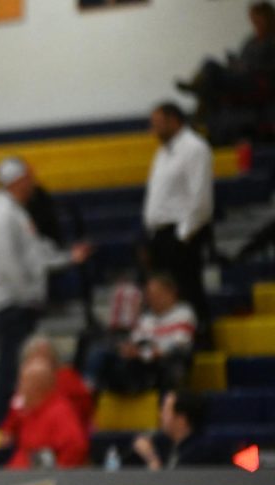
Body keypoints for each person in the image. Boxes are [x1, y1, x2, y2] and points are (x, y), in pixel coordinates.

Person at [0, 157, 91, 420]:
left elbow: (35, 254)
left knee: (18, 365)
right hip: (11, 301)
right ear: (16, 181)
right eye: (27, 179)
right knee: (12, 366)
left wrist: (68, 257)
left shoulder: (15, 211)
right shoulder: (2, 213)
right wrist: (27, 295)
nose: (32, 184)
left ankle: (15, 421)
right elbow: (9, 261)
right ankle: (3, 423)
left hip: (19, 299)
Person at [143, 102, 214, 330]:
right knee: (165, 298)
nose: (153, 128)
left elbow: (200, 197)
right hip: (161, 234)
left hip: (182, 234)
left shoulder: (194, 148)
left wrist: (183, 235)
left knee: (188, 291)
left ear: (173, 120)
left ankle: (200, 341)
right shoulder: (162, 152)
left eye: (158, 123)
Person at [93, 273, 197, 395]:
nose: (151, 298)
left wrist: (142, 354)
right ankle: (90, 389)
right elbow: (134, 342)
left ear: (171, 293)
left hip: (163, 365)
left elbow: (175, 348)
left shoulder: (183, 313)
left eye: (156, 294)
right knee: (103, 351)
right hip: (138, 363)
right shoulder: (146, 318)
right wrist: (127, 350)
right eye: (149, 295)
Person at [177, 2, 275, 119]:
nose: (254, 22)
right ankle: (200, 96)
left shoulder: (271, 40)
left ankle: (199, 94)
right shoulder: (251, 40)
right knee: (210, 67)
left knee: (211, 69)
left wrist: (247, 66)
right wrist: (235, 63)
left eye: (257, 19)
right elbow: (242, 58)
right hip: (241, 74)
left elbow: (268, 66)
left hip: (256, 79)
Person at [0, 358, 89, 470]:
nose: (18, 388)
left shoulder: (59, 412)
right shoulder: (29, 410)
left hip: (41, 482)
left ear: (37, 386)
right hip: (18, 477)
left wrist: (55, 476)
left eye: (23, 382)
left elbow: (76, 447)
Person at [0, 336, 94, 436]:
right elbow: (9, 426)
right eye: (35, 358)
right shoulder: (22, 392)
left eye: (44, 357)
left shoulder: (66, 380)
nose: (39, 364)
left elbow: (83, 413)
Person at [131, 391, 221, 469]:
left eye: (165, 411)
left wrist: (151, 459)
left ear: (181, 419)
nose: (160, 416)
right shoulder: (169, 445)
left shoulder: (198, 453)